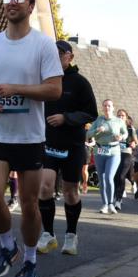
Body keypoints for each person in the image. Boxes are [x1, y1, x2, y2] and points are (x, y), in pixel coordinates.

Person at [0, 0, 63, 277]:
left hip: (30, 138)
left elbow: (54, 88)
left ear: (30, 6)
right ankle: (8, 245)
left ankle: (31, 260)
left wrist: (15, 89)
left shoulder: (43, 45)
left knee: (29, 205)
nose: (11, 2)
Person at [36, 40, 96, 256]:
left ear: (70, 57)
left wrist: (66, 118)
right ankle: (48, 234)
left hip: (72, 144)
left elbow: (91, 113)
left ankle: (71, 235)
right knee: (45, 186)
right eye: (53, 54)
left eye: (61, 54)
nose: (56, 57)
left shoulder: (80, 83)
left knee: (71, 192)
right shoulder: (44, 79)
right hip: (49, 142)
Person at [86, 99, 127, 215]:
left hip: (113, 151)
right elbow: (88, 134)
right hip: (99, 151)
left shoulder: (119, 121)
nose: (107, 108)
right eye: (105, 106)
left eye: (109, 106)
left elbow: (126, 133)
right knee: (102, 179)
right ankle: (104, 204)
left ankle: (111, 204)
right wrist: (97, 130)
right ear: (102, 108)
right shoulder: (98, 120)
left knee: (109, 177)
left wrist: (122, 137)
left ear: (113, 108)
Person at [112, 108, 136, 210]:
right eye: (119, 115)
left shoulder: (130, 129)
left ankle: (118, 200)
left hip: (126, 154)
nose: (121, 117)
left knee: (121, 176)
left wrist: (133, 143)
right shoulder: (113, 127)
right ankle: (114, 196)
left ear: (126, 118)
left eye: (122, 116)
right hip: (114, 153)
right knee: (114, 177)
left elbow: (136, 142)